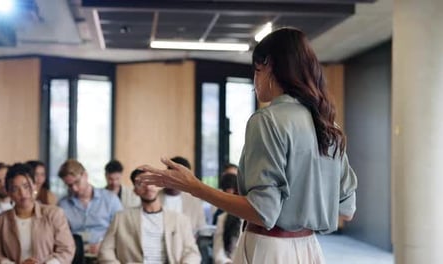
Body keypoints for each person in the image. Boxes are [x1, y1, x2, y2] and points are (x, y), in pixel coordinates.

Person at [138, 27, 358, 263]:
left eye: (256, 70)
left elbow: (261, 212)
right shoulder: (327, 125)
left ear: (269, 66)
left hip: (268, 249)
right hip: (310, 250)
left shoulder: (267, 120)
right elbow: (347, 209)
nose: (255, 82)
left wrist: (195, 187)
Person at [98, 169, 201, 264]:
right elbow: (105, 250)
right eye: (141, 184)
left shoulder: (180, 219)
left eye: (151, 182)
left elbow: (193, 253)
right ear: (135, 191)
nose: (147, 187)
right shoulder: (121, 218)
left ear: (158, 185)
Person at [0, 163, 75, 264]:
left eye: (26, 186)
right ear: (9, 193)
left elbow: (66, 250)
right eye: (15, 189)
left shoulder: (54, 214)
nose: (22, 193)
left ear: (34, 186)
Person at [57, 159, 123, 255]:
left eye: (77, 182)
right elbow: (60, 236)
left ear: (85, 175)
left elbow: (121, 230)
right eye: (69, 185)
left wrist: (103, 245)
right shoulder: (63, 205)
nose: (75, 189)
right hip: (75, 254)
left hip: (106, 252)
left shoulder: (110, 199)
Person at [159, 156, 206, 234]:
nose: (176, 179)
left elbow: (201, 229)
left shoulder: (194, 202)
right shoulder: (154, 198)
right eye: (173, 175)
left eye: (180, 176)